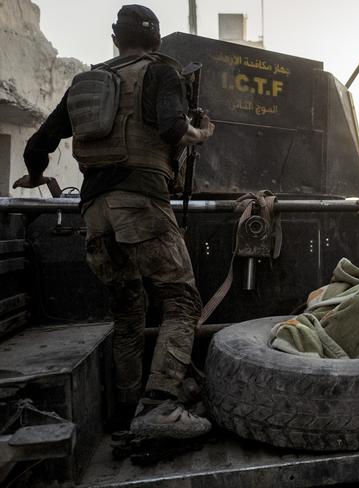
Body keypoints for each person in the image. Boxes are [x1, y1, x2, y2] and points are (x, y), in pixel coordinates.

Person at [13, 5, 215, 439]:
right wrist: (201, 134)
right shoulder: (162, 71)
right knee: (182, 301)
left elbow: (38, 143)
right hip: (140, 202)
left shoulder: (88, 81)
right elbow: (171, 128)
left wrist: (34, 174)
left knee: (127, 311)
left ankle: (127, 409)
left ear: (114, 38)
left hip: (95, 211)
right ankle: (160, 405)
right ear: (157, 40)